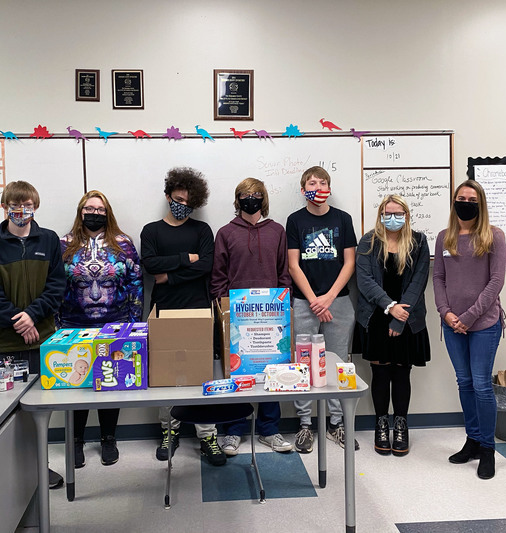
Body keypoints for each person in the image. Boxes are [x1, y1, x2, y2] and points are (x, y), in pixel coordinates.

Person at [0, 180, 66, 490]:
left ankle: (40, 469)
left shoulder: (50, 240)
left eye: (27, 205)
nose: (21, 210)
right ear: (4, 207)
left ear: (35, 207)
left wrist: (32, 316)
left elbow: (56, 287)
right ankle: (10, 476)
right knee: (6, 414)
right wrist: (19, 321)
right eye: (14, 205)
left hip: (43, 342)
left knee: (40, 412)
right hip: (5, 344)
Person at [140, 167, 226, 466]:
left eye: (189, 203)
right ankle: (169, 431)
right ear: (168, 196)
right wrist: (183, 259)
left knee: (203, 372)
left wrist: (170, 276)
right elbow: (150, 264)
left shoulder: (202, 231)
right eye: (178, 199)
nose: (182, 206)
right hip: (162, 310)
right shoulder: (151, 230)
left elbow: (205, 266)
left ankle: (207, 435)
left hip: (199, 308)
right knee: (164, 373)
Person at [58, 190, 143, 468]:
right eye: (89, 208)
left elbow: (135, 283)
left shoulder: (123, 244)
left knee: (111, 382)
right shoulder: (64, 244)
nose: (94, 213)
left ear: (107, 213)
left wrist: (133, 324)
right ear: (80, 211)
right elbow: (56, 287)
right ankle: (77, 441)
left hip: (115, 324)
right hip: (74, 325)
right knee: (78, 385)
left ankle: (109, 438)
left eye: (100, 209)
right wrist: (57, 326)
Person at [211, 177, 294, 455]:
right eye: (245, 194)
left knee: (271, 370)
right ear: (237, 200)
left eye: (256, 193)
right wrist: (224, 310)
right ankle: (233, 431)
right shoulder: (225, 232)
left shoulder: (277, 231)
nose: (251, 198)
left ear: (264, 198)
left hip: (272, 314)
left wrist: (285, 305)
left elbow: (284, 271)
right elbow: (218, 275)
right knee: (238, 370)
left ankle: (270, 430)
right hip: (237, 315)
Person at [433, 179, 506, 480]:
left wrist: (469, 316)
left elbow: (496, 281)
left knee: (481, 385)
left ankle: (488, 449)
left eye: (471, 199)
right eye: (460, 198)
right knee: (464, 382)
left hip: (484, 324)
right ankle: (473, 441)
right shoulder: (444, 237)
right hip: (451, 324)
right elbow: (437, 278)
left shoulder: (494, 236)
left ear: (481, 203)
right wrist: (446, 313)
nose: (465, 202)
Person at [286, 166, 359, 453]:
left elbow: (349, 262)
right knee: (303, 364)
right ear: (303, 188)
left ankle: (336, 424)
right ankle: (305, 425)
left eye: (323, 181)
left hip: (338, 302)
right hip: (305, 303)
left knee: (338, 364)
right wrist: (315, 300)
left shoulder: (343, 219)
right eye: (312, 182)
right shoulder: (295, 221)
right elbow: (293, 264)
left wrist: (327, 298)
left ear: (330, 186)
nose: (318, 185)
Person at [356, 194, 430, 457]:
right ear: (380, 215)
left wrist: (400, 316)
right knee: (380, 373)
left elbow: (419, 281)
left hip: (408, 318)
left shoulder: (419, 242)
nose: (393, 217)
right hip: (376, 316)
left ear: (407, 215)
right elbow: (364, 280)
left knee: (401, 372)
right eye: (388, 213)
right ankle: (381, 424)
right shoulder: (368, 241)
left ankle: (401, 424)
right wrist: (389, 307)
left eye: (398, 213)